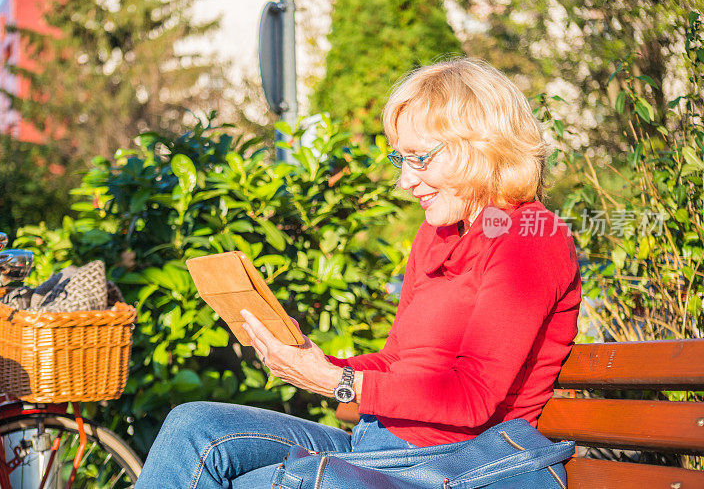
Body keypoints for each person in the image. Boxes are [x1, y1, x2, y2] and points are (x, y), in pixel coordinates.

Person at [135, 58, 581, 488]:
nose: (405, 181)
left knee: (265, 483)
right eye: (400, 159)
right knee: (193, 426)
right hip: (377, 445)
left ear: (482, 147)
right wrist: (311, 362)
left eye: (420, 158)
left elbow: (472, 396)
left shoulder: (527, 235)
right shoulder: (438, 235)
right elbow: (394, 363)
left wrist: (339, 383)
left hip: (459, 465)